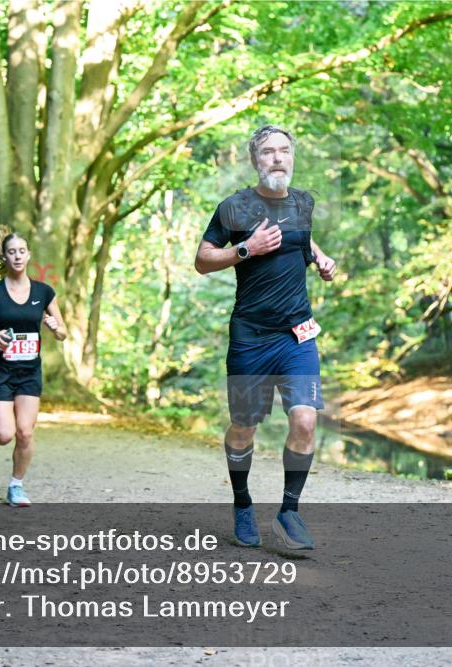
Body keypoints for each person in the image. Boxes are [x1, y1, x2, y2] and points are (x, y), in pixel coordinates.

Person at [194, 125, 337, 550]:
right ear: (255, 160)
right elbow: (202, 260)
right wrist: (246, 249)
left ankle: (289, 513)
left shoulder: (303, 203)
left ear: (292, 157)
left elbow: (302, 242)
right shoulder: (234, 207)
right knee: (244, 427)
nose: (278, 158)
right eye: (269, 151)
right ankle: (242, 503)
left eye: (284, 150)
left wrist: (320, 259)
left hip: (297, 337)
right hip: (251, 338)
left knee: (306, 420)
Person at [0, 230, 66, 507]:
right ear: (5, 256)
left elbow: (63, 333)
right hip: (0, 372)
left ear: (29, 255)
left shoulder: (44, 292)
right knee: (4, 434)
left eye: (22, 251)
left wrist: (56, 328)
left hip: (28, 373)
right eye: (12, 252)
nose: (17, 256)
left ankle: (16, 487)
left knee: (25, 432)